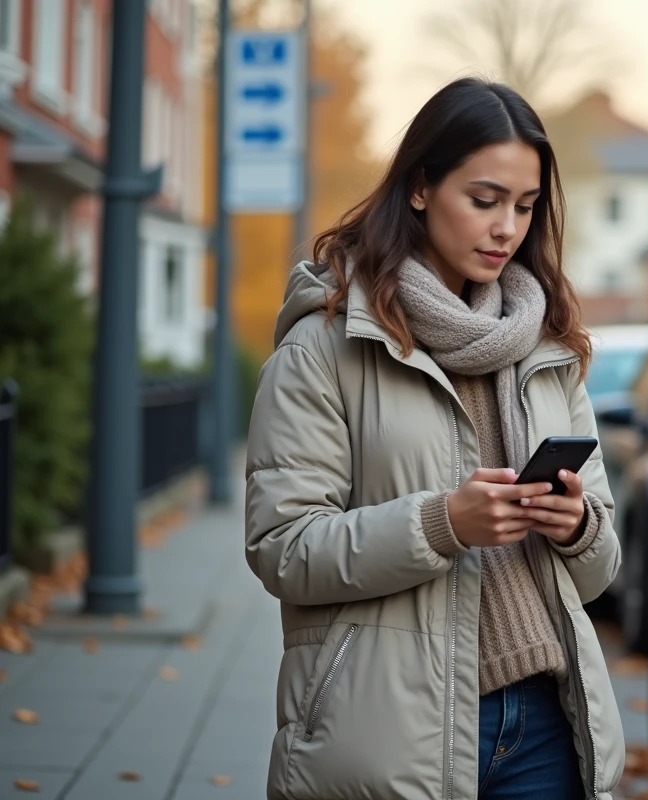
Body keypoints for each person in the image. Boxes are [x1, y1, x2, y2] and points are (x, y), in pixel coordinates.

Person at [244, 77, 625, 800]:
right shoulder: (327, 345)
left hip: (546, 723)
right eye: (484, 200)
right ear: (421, 187)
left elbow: (601, 569)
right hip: (391, 732)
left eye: (525, 205)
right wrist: (443, 523)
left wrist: (577, 526)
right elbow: (283, 547)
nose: (507, 228)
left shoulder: (547, 348)